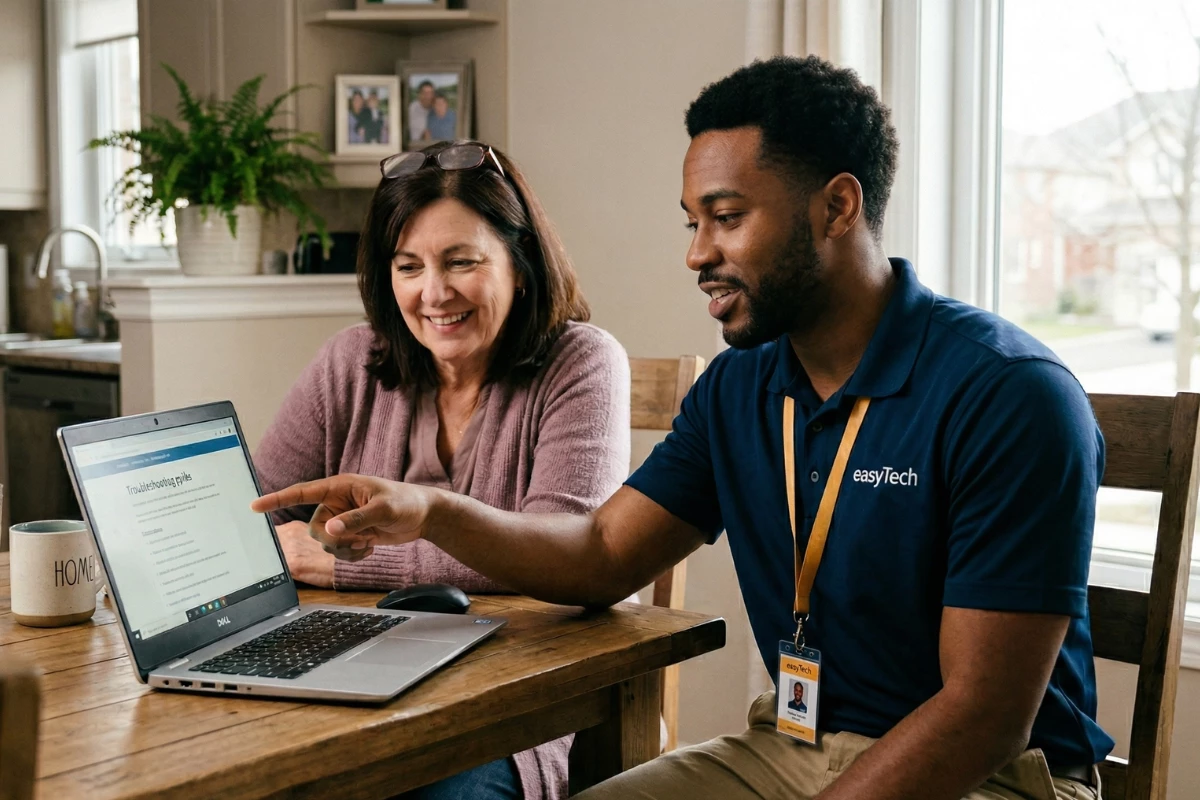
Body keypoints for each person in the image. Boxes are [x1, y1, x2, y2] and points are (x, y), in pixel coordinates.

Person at [253, 56, 1112, 800]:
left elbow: (984, 717)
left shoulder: (1008, 395)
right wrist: (433, 512)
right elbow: (598, 557)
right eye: (691, 221)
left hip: (990, 776)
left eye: (727, 217)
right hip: (788, 746)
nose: (696, 252)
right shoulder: (742, 387)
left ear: (837, 207)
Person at [253, 139, 630, 800]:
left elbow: (566, 556)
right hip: (344, 695)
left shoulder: (583, 364)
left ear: (520, 263)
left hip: (505, 717)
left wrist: (346, 564)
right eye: (408, 266)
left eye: (462, 262)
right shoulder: (350, 362)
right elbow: (254, 515)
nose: (434, 293)